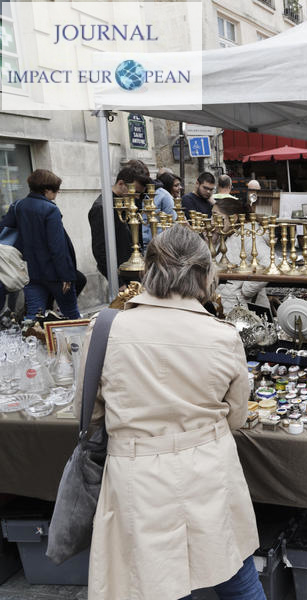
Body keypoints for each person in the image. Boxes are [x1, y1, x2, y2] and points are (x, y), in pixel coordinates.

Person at [82, 225, 263, 600]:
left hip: (138, 477)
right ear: (204, 272)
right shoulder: (223, 335)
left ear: (148, 268)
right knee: (236, 576)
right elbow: (237, 418)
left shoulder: (103, 329)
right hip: (208, 470)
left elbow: (88, 415)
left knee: (157, 584)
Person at [0, 169, 80, 319]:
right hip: (55, 274)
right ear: (47, 190)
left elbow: (4, 230)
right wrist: (66, 275)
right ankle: (79, 342)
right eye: (56, 190)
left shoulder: (18, 206)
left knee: (33, 317)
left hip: (30, 271)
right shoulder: (51, 209)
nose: (56, 194)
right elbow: (57, 246)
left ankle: (30, 342)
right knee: (71, 313)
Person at [88, 165, 151, 284]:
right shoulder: (102, 208)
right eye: (135, 192)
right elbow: (100, 250)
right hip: (122, 274)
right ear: (121, 184)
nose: (137, 197)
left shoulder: (127, 202)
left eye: (140, 194)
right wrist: (118, 281)